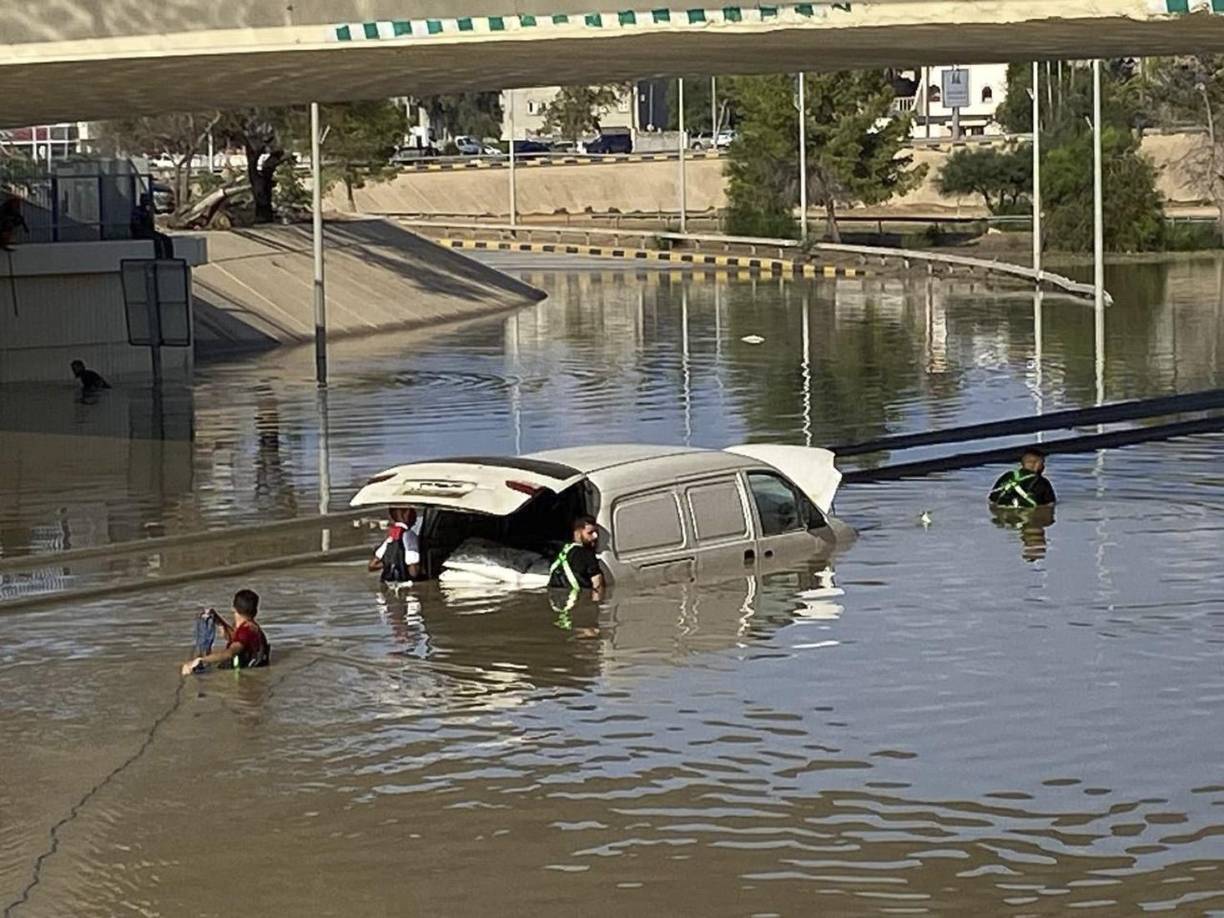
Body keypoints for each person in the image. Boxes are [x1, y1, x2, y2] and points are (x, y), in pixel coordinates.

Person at [180, 589, 271, 675]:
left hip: (244, 675)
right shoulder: (251, 627)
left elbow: (230, 653)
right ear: (255, 611)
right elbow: (234, 637)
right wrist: (218, 621)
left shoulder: (245, 632)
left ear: (233, 608)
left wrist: (200, 660)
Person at [549, 515, 606, 598]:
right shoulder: (587, 554)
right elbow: (597, 584)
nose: (595, 536)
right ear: (578, 533)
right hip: (582, 604)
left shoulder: (562, 553)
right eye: (590, 533)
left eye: (596, 532)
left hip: (562, 606)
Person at [989, 448, 1057, 509]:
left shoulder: (1007, 475)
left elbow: (992, 499)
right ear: (1036, 464)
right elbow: (1050, 504)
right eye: (1042, 463)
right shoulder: (1042, 482)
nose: (1044, 466)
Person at [369, 506, 421, 585]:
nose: (416, 517)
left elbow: (372, 566)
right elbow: (413, 572)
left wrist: (390, 563)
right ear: (405, 515)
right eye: (412, 512)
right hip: (405, 584)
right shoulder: (410, 536)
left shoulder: (391, 537)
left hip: (388, 583)